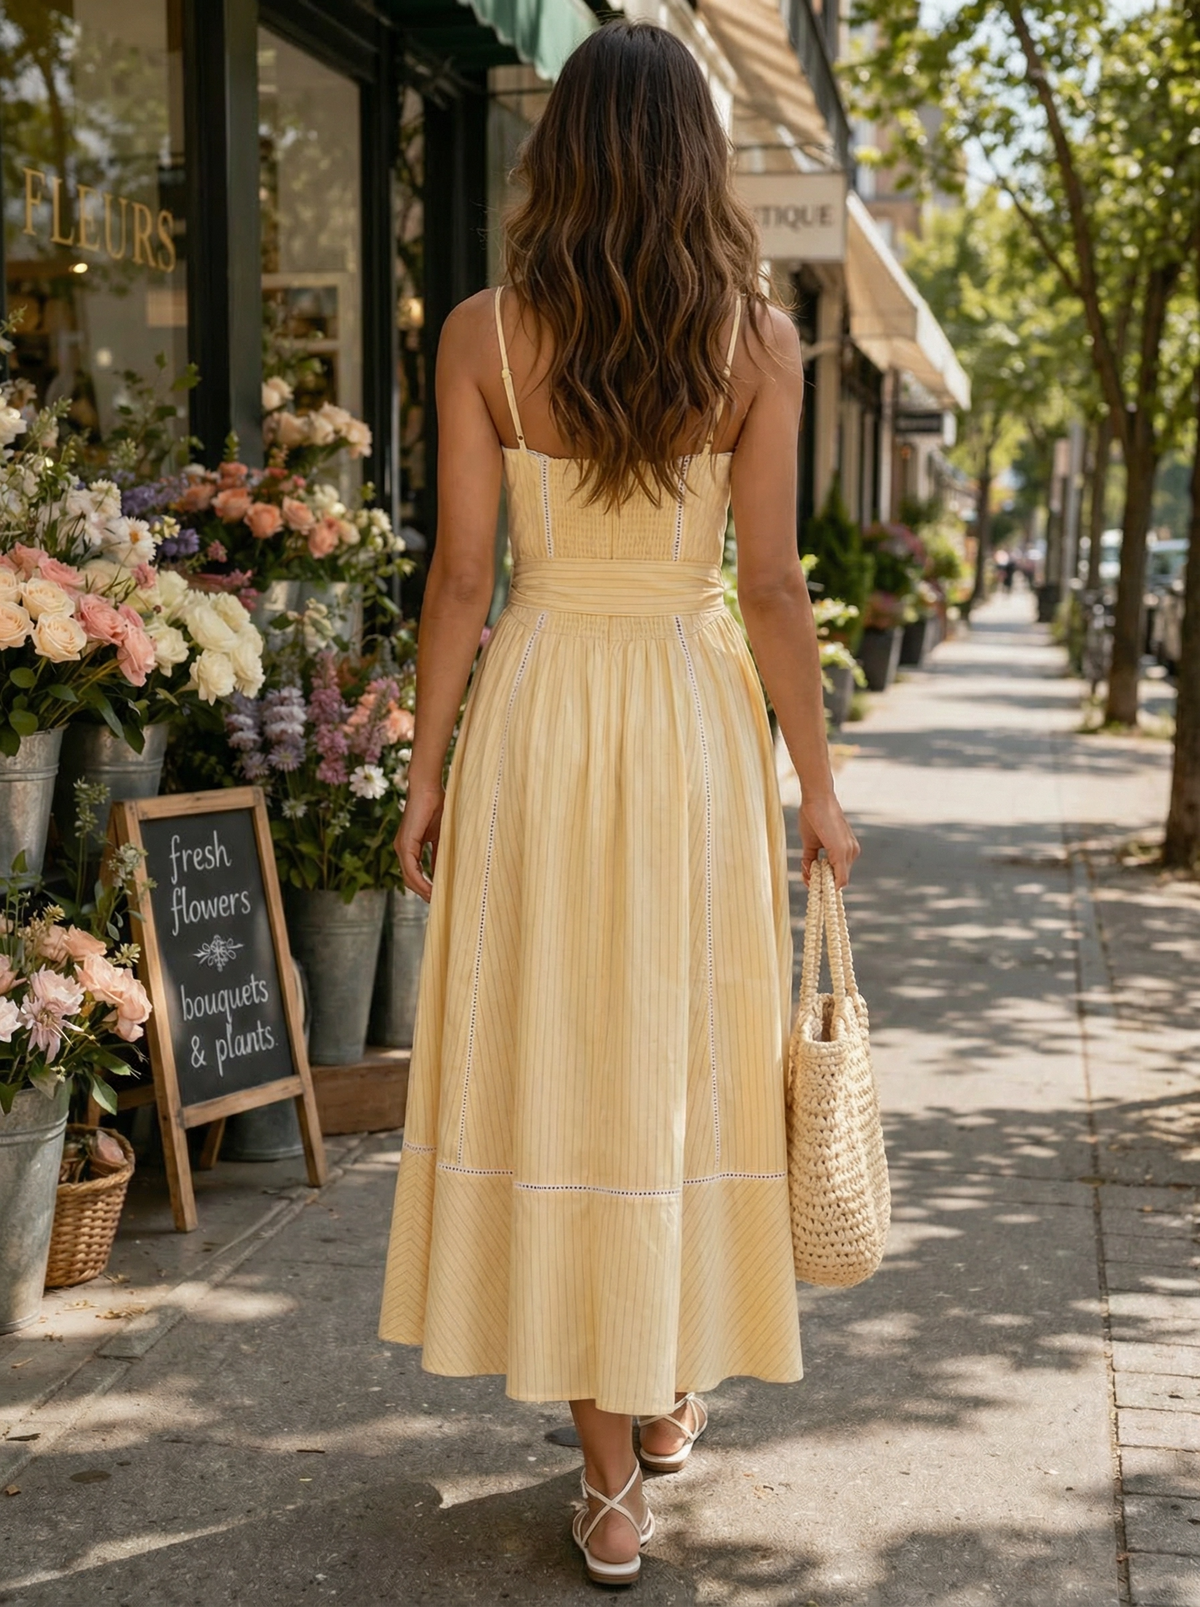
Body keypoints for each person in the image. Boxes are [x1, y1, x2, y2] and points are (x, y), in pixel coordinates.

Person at [380, 20, 859, 1588]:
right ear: (697, 159)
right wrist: (819, 790)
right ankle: (658, 1402)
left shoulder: (482, 335)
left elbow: (461, 575)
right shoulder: (755, 344)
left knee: (563, 1050)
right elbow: (775, 586)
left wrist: (427, 762)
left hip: (538, 707)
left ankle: (607, 1479)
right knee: (673, 1046)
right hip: (688, 717)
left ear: (561, 151)